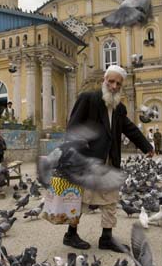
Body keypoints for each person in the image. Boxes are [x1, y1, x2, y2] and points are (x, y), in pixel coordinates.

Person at [63, 65, 154, 252]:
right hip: (89, 160)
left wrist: (147, 147)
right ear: (104, 80)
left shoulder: (119, 107)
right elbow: (73, 127)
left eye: (118, 84)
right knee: (81, 199)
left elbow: (130, 129)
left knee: (111, 200)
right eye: (111, 81)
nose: (114, 86)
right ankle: (70, 234)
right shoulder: (88, 99)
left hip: (110, 160)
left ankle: (106, 238)